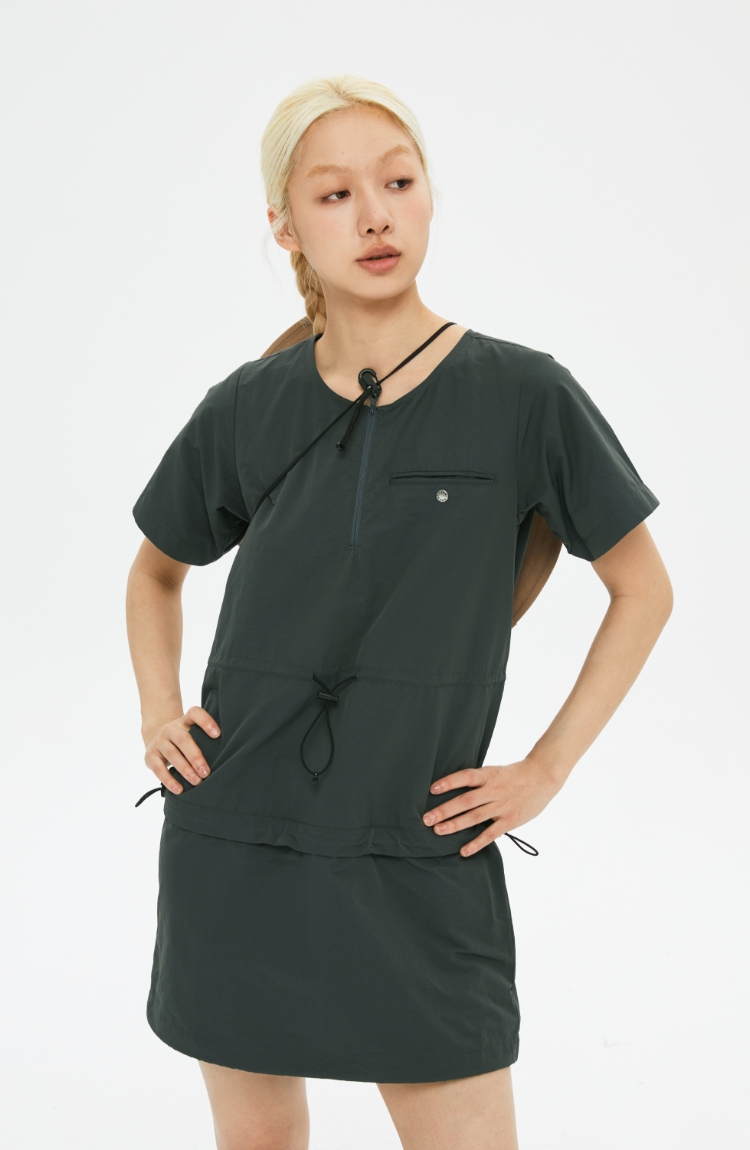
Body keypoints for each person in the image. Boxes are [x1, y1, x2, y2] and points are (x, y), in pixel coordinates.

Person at [126, 75, 672, 1150]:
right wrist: (158, 711)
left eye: (398, 183)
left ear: (429, 196)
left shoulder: (524, 394)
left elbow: (642, 588)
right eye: (334, 195)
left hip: (415, 845)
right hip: (234, 840)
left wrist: (546, 768)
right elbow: (154, 573)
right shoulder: (248, 403)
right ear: (285, 227)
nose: (374, 215)